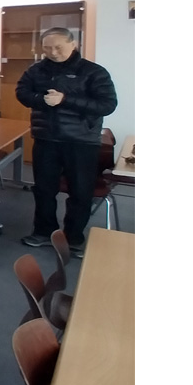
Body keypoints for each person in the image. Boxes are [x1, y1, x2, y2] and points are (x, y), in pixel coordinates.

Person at [16, 27, 117, 258]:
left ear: (74, 44)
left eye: (58, 47)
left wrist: (65, 100)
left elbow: (107, 105)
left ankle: (73, 237)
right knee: (43, 189)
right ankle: (44, 232)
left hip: (81, 141)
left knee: (80, 192)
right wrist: (41, 99)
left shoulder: (93, 72)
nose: (53, 52)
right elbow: (22, 93)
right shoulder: (36, 70)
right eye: (47, 48)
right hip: (46, 138)